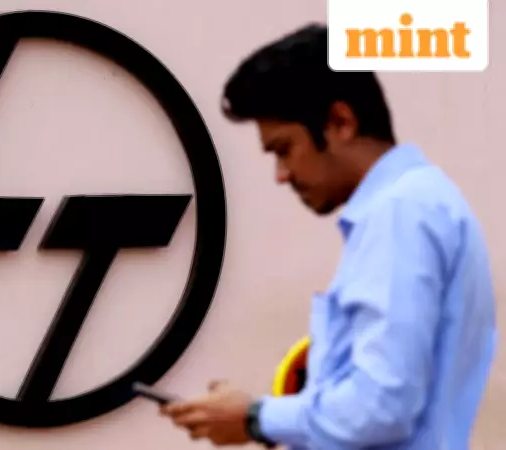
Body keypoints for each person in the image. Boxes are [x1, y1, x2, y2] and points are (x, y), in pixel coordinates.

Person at [160, 23, 498, 449]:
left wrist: (254, 418)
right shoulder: (421, 203)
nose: (281, 175)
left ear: (341, 122)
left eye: (284, 149)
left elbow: (381, 406)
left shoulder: (400, 213)